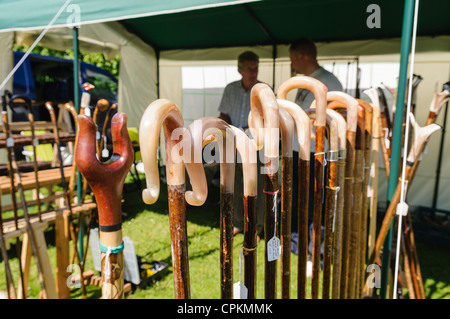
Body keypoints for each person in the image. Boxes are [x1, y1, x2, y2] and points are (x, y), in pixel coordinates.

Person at [288, 38, 343, 276]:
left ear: (301, 56)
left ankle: (316, 254)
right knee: (299, 202)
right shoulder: (302, 83)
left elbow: (338, 119)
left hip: (318, 156)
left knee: (316, 206)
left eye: (292, 58)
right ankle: (297, 247)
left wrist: (314, 131)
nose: (291, 63)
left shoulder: (329, 82)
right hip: (298, 153)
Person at [217, 51, 264, 239]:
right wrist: (228, 131)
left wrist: (249, 129)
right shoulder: (230, 88)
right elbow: (223, 114)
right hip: (234, 141)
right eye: (249, 68)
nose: (253, 72)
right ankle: (237, 223)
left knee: (256, 184)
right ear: (239, 70)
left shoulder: (264, 89)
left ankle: (257, 227)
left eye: (256, 68)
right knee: (235, 182)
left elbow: (269, 117)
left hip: (257, 143)